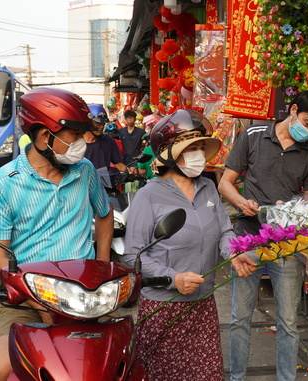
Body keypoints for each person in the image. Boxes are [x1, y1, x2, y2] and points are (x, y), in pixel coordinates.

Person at [0, 88, 114, 381]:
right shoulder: (0, 184)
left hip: (84, 296)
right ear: (43, 137)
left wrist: (102, 266)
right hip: (24, 300)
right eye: (74, 136)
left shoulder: (85, 171)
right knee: (0, 369)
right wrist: (39, 303)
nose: (82, 144)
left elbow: (104, 214)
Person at [218, 90, 308, 381]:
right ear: (292, 110)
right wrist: (242, 203)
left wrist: (291, 210)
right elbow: (226, 183)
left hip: (287, 245)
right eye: (307, 122)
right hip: (247, 239)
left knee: (289, 322)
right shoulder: (254, 134)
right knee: (240, 318)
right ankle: (237, 377)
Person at [124, 109, 235, 381]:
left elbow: (225, 231)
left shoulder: (208, 187)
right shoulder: (148, 196)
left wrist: (236, 252)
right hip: (165, 308)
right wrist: (174, 278)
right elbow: (132, 258)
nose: (198, 154)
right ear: (169, 153)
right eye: (190, 148)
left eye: (200, 147)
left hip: (203, 307)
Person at [83, 104, 135, 174]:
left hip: (102, 183)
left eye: (103, 123)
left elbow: (118, 164)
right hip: (82, 183)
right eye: (98, 123)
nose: (101, 126)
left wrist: (129, 170)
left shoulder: (108, 140)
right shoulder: (76, 141)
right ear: (88, 123)